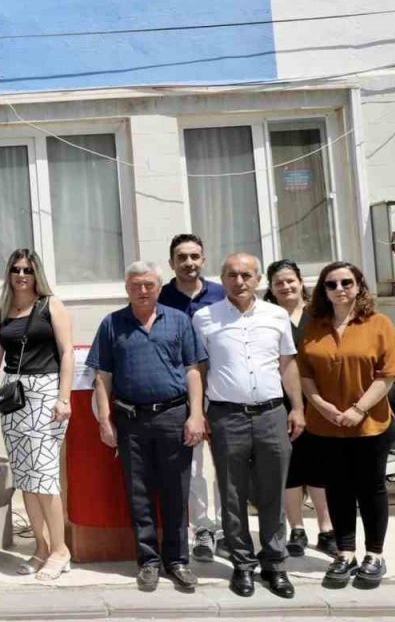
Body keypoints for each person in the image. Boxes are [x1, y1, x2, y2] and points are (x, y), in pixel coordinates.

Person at [88, 262, 207, 593]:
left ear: (158, 287)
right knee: (138, 493)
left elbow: (194, 370)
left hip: (173, 417)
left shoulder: (180, 320)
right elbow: (102, 377)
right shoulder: (112, 324)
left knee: (176, 492)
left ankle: (177, 561)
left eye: (149, 285)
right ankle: (149, 562)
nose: (143, 290)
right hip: (131, 420)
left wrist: (196, 414)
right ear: (127, 288)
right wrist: (104, 420)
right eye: (137, 285)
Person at [192, 254, 303, 599]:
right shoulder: (204, 317)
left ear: (257, 280)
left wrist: (297, 407)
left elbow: (287, 365)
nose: (239, 281)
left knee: (272, 492)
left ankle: (275, 564)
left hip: (272, 414)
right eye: (231, 275)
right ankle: (242, 564)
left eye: (246, 275)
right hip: (227, 416)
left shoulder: (277, 316)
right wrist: (199, 412)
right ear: (222, 279)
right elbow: (199, 369)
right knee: (232, 493)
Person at [297, 261, 395, 589]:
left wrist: (358, 409)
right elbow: (304, 374)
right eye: (331, 284)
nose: (339, 289)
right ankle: (345, 553)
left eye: (346, 283)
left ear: (359, 286)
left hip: (370, 424)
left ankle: (374, 554)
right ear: (323, 291)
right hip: (325, 425)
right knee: (338, 489)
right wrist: (320, 405)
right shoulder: (313, 325)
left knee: (371, 489)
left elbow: (389, 374)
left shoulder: (379, 323)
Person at [0, 249, 74, 580]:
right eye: (15, 269)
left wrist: (63, 398)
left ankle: (60, 550)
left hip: (46, 392)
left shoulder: (50, 305)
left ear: (36, 272)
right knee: (26, 477)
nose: (21, 275)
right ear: (8, 273)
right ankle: (41, 547)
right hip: (13, 397)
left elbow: (67, 353)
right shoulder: (1, 312)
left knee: (45, 476)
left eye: (27, 269)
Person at [158, 234, 226, 563]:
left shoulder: (221, 294)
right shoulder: (161, 298)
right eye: (182, 257)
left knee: (229, 461)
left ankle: (229, 527)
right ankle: (203, 529)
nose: (189, 263)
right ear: (171, 263)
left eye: (195, 256)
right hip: (181, 390)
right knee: (196, 462)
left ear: (203, 259)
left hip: (224, 387)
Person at [265, 259, 335, 557]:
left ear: (300, 281)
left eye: (290, 280)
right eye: (278, 282)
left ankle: (327, 528)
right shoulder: (267, 316)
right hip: (281, 402)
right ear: (270, 287)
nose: (285, 286)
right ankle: (296, 528)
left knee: (320, 465)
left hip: (320, 400)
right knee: (289, 466)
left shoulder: (320, 314)